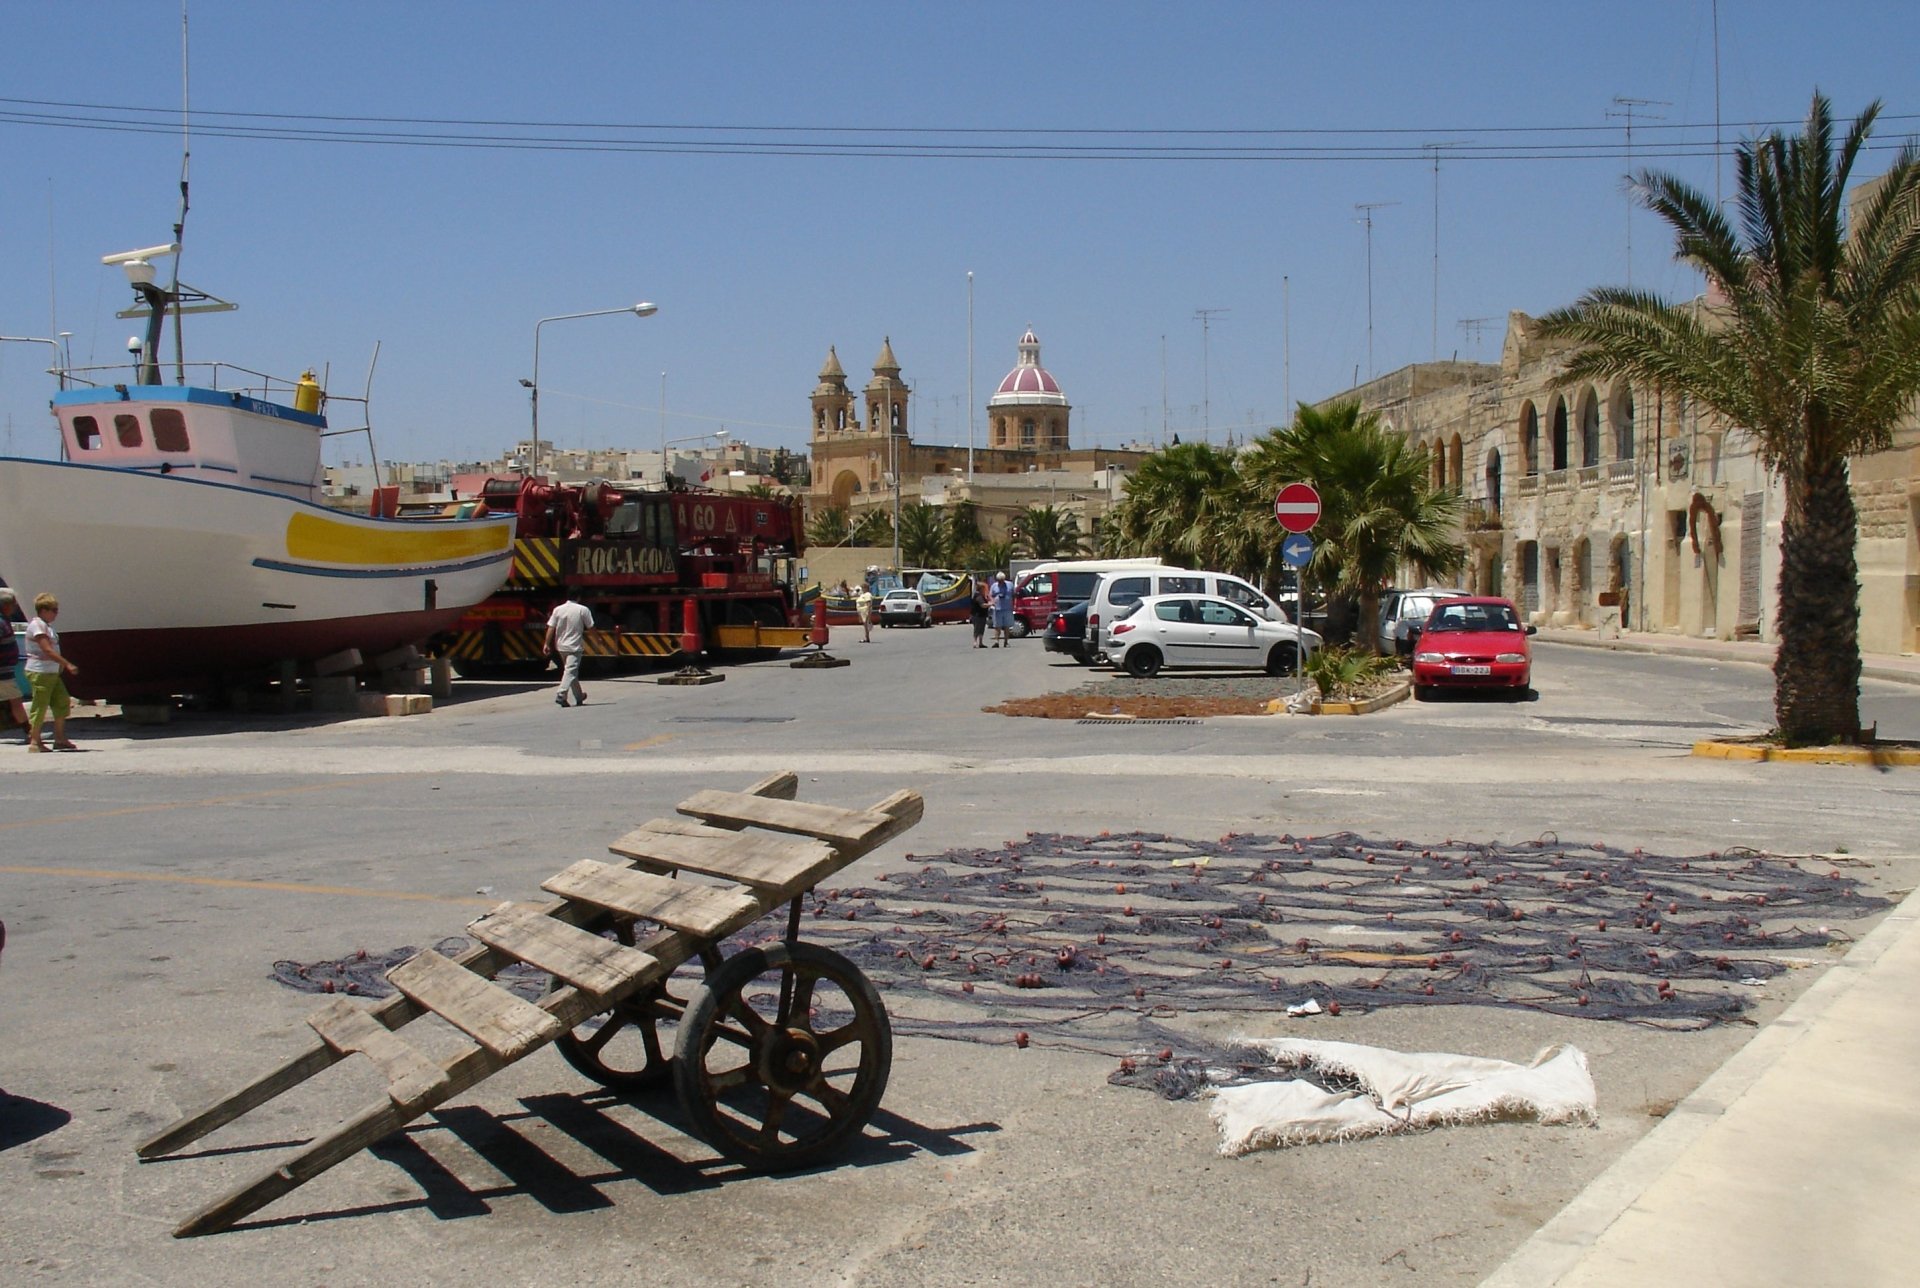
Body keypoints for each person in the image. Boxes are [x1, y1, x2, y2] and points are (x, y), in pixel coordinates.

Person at [24, 592, 79, 752]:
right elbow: (47, 649)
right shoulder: (38, 626)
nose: (56, 613)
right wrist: (67, 664)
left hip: (51, 672)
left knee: (61, 702)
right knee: (40, 705)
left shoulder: (47, 626)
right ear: (44, 610)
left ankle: (60, 738)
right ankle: (35, 741)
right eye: (54, 610)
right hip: (40, 671)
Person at [543, 590, 594, 708]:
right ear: (579, 597)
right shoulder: (583, 609)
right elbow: (591, 627)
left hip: (561, 646)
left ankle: (579, 696)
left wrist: (546, 644)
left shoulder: (558, 609)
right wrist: (597, 640)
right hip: (575, 646)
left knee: (571, 671)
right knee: (570, 671)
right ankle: (561, 694)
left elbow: (551, 628)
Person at [0, 589, 27, 740]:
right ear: (6, 606)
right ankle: (29, 732)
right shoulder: (1, 622)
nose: (15, 608)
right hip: (2, 672)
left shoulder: (4, 620)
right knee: (16, 701)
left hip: (5, 671)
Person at [988, 571, 1015, 647]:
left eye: (1002, 580)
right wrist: (993, 601)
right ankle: (997, 642)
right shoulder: (994, 586)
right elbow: (990, 595)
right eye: (999, 581)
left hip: (1008, 608)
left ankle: (1006, 642)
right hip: (997, 609)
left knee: (1007, 626)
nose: (1000, 582)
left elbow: (1014, 594)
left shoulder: (1010, 585)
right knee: (997, 626)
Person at [969, 579, 990, 648]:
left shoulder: (981, 595)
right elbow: (982, 605)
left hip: (981, 615)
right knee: (977, 629)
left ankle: (980, 642)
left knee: (981, 629)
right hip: (977, 615)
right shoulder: (978, 596)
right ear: (981, 589)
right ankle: (975, 642)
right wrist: (990, 604)